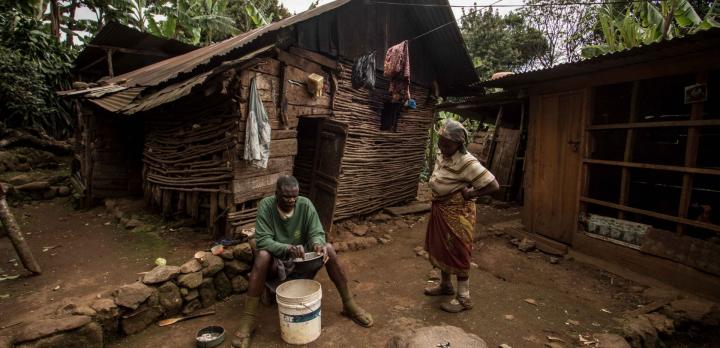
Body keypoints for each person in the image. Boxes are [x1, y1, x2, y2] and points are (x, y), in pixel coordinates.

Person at [232, 176, 373, 348]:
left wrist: (316, 243)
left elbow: (316, 231)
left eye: (294, 196)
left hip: (302, 260)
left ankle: (349, 304)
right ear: (276, 193)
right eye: (286, 196)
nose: (291, 200)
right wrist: (288, 248)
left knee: (328, 248)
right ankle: (248, 320)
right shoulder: (266, 206)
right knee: (262, 255)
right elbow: (263, 240)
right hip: (277, 262)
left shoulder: (305, 205)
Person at [424, 119, 499, 313]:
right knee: (443, 247)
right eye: (440, 141)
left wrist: (472, 193)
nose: (441, 146)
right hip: (441, 208)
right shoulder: (443, 153)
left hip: (458, 212)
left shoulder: (468, 162)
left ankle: (464, 298)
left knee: (458, 250)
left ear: (459, 144)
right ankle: (445, 285)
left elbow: (493, 185)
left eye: (446, 143)